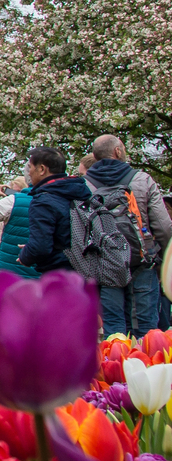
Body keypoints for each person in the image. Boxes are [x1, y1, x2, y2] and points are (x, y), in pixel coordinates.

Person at [85, 134, 172, 335]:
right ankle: (144, 364)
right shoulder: (142, 180)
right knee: (146, 326)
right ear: (118, 151)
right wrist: (163, 259)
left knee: (113, 327)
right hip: (142, 261)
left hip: (105, 264)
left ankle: (115, 363)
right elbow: (163, 226)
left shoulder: (85, 186)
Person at [18, 145, 90, 279]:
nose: (29, 173)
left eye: (30, 167)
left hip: (60, 274)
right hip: (87, 269)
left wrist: (25, 256)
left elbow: (40, 246)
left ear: (41, 169)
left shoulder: (43, 201)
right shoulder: (80, 192)